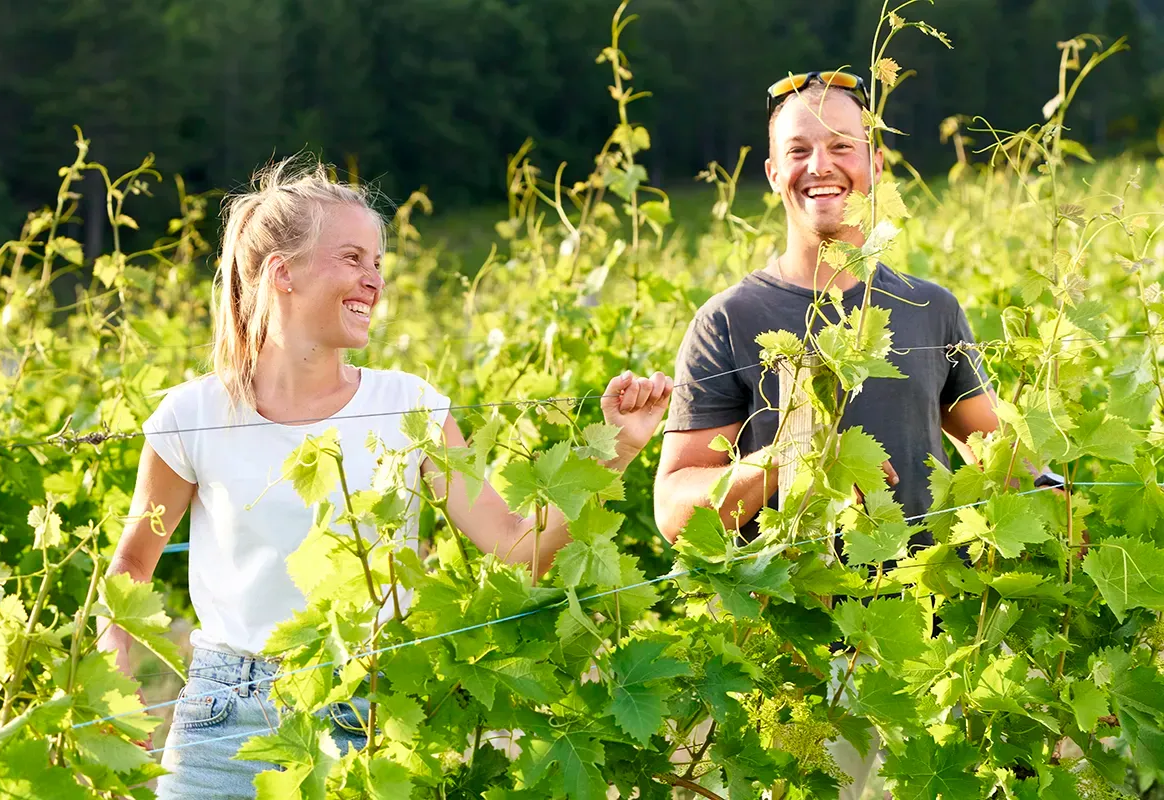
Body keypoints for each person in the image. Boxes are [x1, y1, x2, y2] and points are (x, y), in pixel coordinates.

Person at [97, 157, 673, 799]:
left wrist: (617, 451)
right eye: (352, 259)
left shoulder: (411, 405)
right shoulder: (193, 414)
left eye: (377, 264)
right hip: (222, 716)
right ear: (281, 273)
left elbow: (518, 548)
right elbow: (130, 570)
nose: (373, 281)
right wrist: (113, 699)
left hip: (367, 711)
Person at [652, 71, 1001, 800]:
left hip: (932, 643)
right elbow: (676, 510)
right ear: (774, 170)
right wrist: (784, 460)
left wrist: (1059, 495)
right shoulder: (729, 320)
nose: (822, 166)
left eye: (842, 145)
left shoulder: (929, 308)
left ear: (874, 163)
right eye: (799, 149)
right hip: (795, 657)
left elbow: (994, 452)